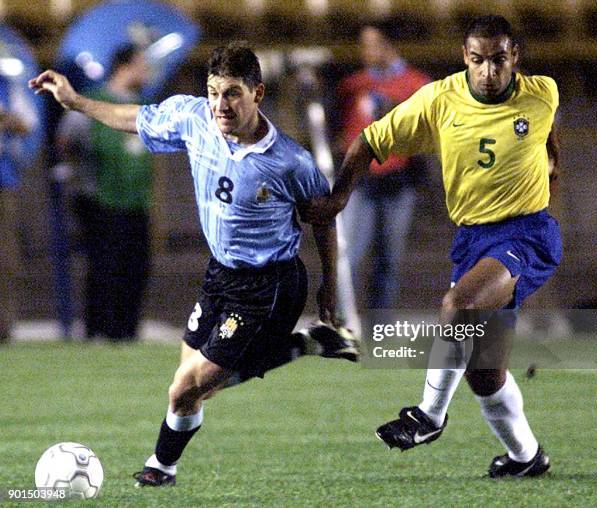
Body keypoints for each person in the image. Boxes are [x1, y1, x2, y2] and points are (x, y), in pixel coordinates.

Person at [30, 41, 359, 487]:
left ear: (257, 94)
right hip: (221, 275)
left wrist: (328, 287)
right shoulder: (192, 118)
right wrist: (76, 101)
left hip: (271, 286)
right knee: (189, 385)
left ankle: (161, 468)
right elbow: (133, 118)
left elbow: (324, 221)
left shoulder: (289, 161)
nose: (220, 105)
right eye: (213, 92)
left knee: (187, 388)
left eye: (232, 94)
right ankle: (306, 345)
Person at [301, 15, 561, 478]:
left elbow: (546, 133)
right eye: (478, 60)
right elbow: (370, 140)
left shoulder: (541, 92)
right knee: (484, 371)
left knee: (458, 304)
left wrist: (550, 172)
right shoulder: (440, 100)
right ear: (466, 57)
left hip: (526, 234)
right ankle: (526, 457)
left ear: (514, 58)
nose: (487, 72)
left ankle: (429, 415)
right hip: (473, 239)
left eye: (498, 60)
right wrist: (340, 195)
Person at [56, 45, 153, 341]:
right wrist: (81, 171)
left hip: (136, 200)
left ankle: (127, 333)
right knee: (104, 268)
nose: (147, 71)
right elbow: (65, 140)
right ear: (124, 67)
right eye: (141, 64)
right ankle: (98, 331)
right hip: (100, 198)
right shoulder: (94, 100)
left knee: (135, 268)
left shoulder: (145, 105)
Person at [336, 24, 430, 308]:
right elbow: (339, 127)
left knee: (388, 260)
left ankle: (380, 329)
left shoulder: (418, 85)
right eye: (363, 44)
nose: (366, 52)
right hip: (361, 183)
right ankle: (341, 325)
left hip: (398, 183)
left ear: (389, 45)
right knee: (349, 257)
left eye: (373, 44)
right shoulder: (353, 85)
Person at [0, 75, 39, 344]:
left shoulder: (7, 85)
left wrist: (6, 119)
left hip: (4, 178)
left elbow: (28, 125)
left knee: (5, 258)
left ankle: (3, 327)